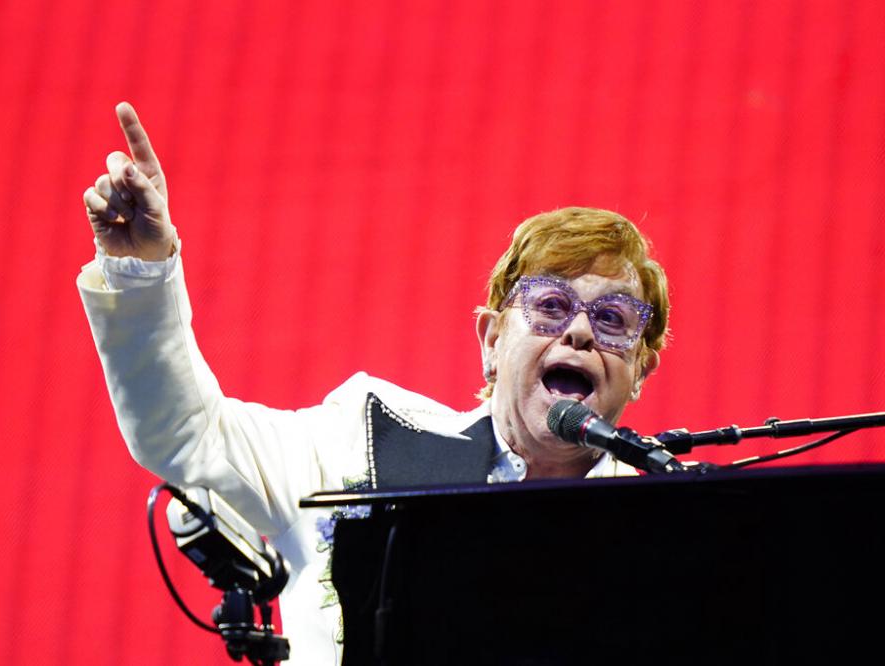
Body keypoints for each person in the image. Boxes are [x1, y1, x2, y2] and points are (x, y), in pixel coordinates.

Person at [78, 102, 670, 664]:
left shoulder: (667, 530)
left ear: (640, 370)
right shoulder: (360, 439)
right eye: (550, 306)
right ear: (492, 342)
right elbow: (189, 433)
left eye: (613, 319)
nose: (580, 333)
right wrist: (141, 273)